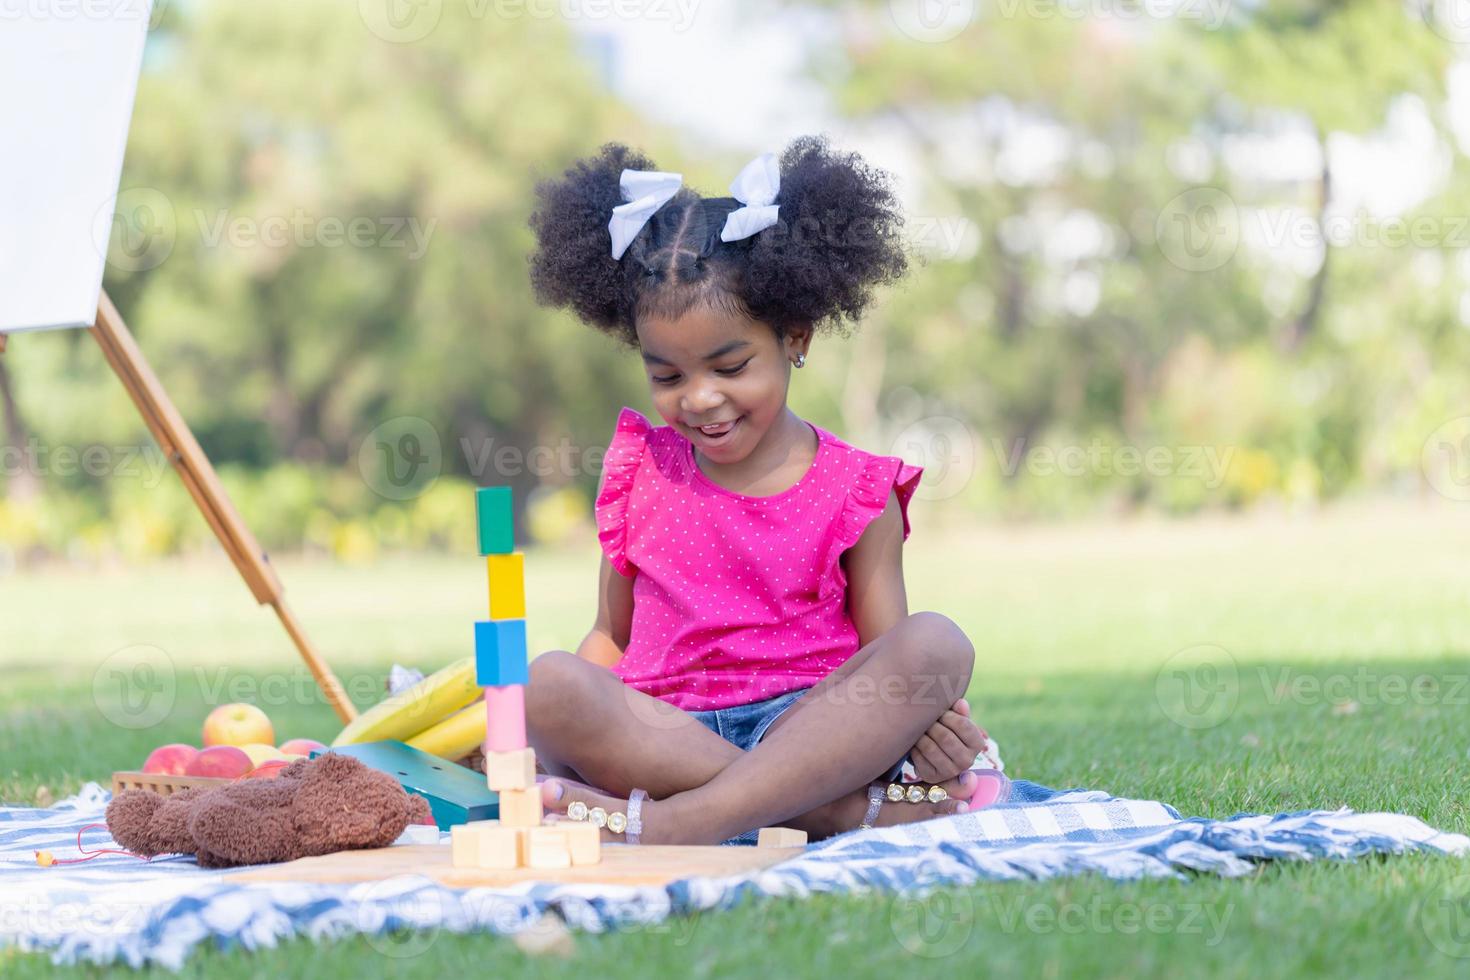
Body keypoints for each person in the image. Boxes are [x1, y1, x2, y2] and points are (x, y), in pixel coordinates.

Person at [521, 136, 1007, 846]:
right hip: (667, 732)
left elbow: (886, 657)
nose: (701, 398)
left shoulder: (856, 489)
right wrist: (549, 718)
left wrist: (935, 724)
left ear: (796, 337)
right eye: (668, 377)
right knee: (547, 681)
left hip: (811, 728)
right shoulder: (641, 471)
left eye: (730, 365)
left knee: (935, 645)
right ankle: (820, 814)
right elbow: (611, 635)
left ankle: (688, 820)